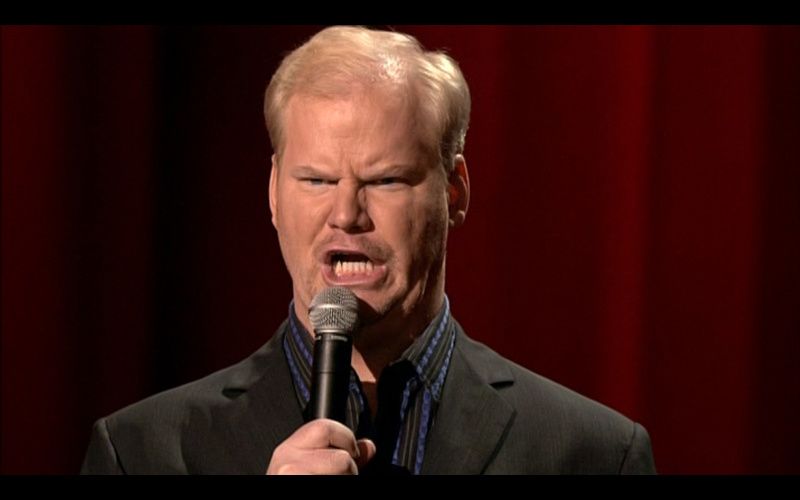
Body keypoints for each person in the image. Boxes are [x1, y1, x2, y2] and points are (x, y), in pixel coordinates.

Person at [81, 26, 656, 475]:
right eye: (317, 180)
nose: (346, 214)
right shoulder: (141, 451)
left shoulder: (593, 454)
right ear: (274, 193)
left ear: (454, 193)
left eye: (384, 180)